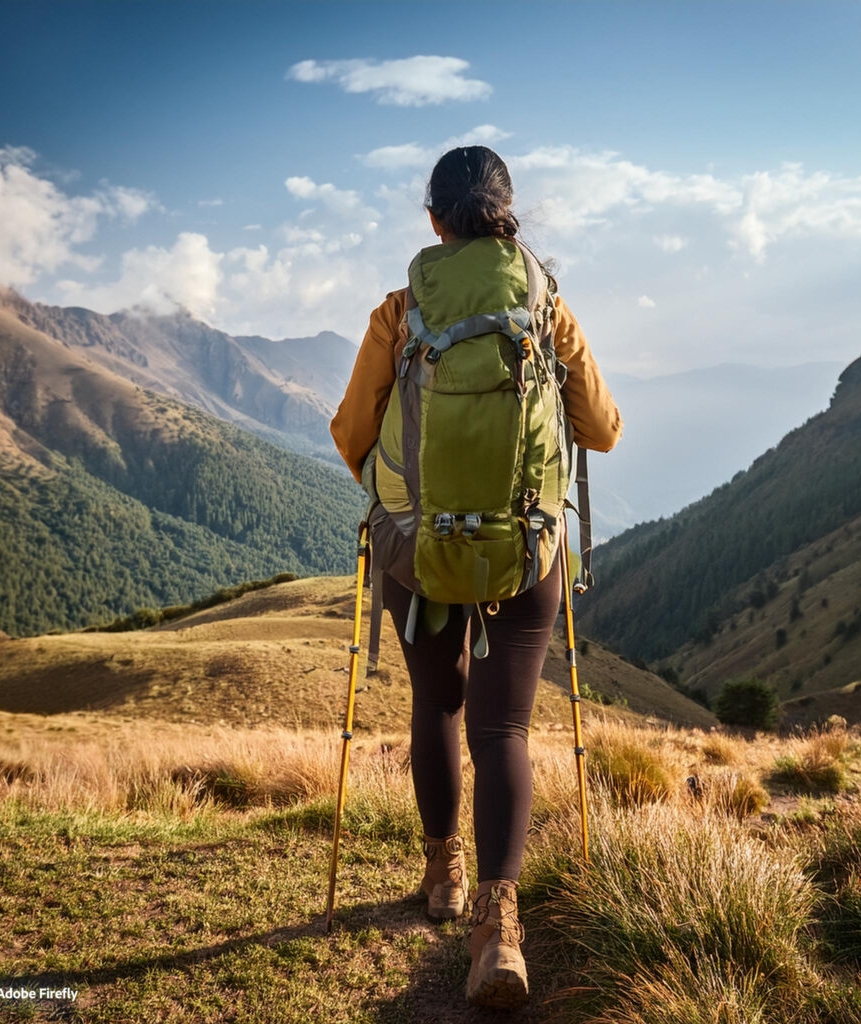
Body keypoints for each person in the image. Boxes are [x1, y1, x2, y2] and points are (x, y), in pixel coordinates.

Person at [330, 145, 622, 1010]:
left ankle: (443, 875)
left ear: (434, 221)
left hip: (417, 553)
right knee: (504, 731)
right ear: (508, 214)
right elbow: (600, 430)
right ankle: (499, 933)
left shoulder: (399, 312)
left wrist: (413, 497)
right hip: (526, 555)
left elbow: (351, 435)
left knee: (439, 705)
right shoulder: (546, 308)